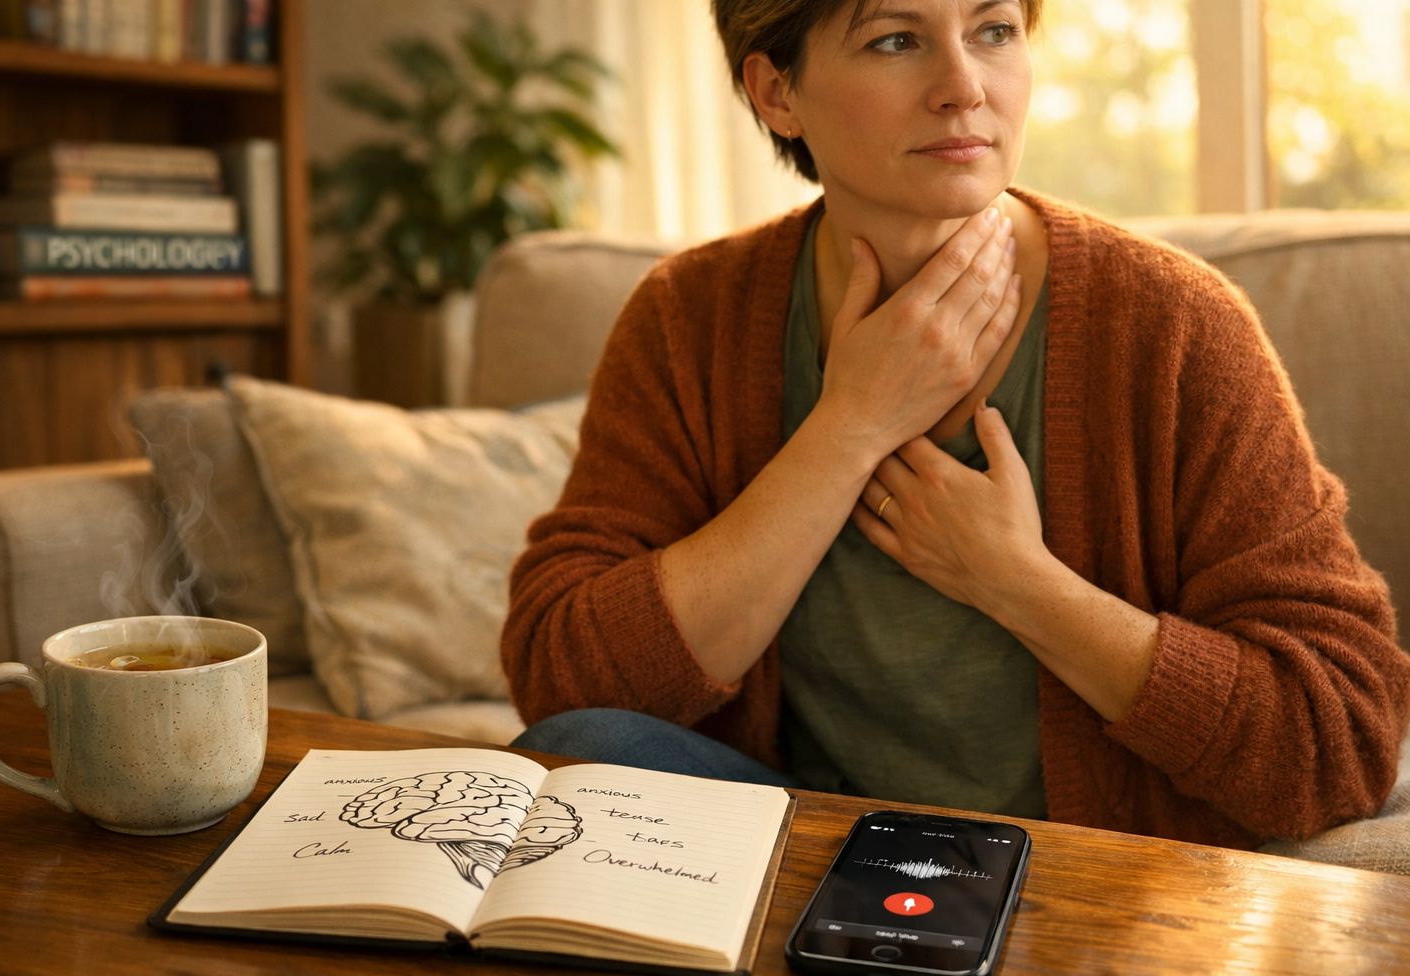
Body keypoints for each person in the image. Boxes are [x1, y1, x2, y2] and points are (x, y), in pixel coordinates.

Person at [498, 0, 1410, 849]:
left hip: (1082, 881)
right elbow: (564, 680)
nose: (965, 87)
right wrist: (848, 425)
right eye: (897, 40)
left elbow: (1340, 735)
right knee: (573, 754)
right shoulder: (690, 317)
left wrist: (1018, 583)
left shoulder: (1174, 325)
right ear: (778, 92)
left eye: (994, 31)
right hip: (797, 850)